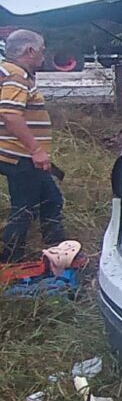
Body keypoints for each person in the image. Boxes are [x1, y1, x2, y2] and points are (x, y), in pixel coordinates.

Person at [0, 29, 66, 262]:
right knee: (24, 211)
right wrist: (36, 150)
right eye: (42, 51)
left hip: (16, 155)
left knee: (51, 201)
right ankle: (10, 263)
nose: (43, 56)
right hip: (21, 157)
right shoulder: (16, 76)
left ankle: (58, 252)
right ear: (30, 51)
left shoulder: (8, 72)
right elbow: (10, 114)